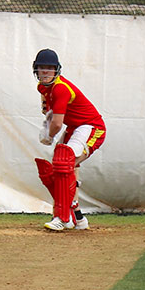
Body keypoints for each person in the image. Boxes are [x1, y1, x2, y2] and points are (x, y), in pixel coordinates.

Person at [31, 49, 107, 232]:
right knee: (64, 167)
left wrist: (49, 135)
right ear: (36, 70)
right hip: (74, 127)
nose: (45, 72)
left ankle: (63, 217)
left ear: (57, 70)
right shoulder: (43, 88)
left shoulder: (60, 88)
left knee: (64, 162)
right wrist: (46, 124)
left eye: (49, 68)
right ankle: (77, 218)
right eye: (42, 68)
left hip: (91, 127)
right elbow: (50, 113)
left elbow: (57, 123)